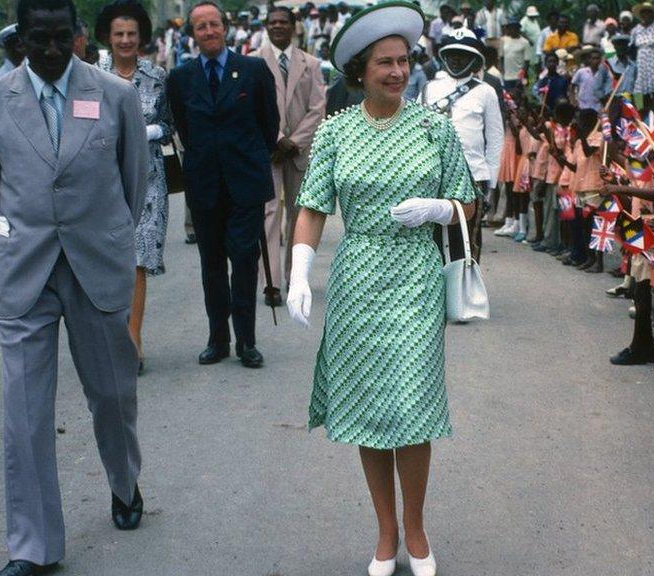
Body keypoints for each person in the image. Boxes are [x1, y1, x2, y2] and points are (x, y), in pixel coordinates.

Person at [286, 4, 477, 575]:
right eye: (384, 63)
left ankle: (416, 531)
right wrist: (299, 270)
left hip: (416, 276)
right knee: (370, 404)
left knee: (412, 404)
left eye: (403, 61)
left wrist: (438, 208)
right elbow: (313, 206)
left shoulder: (433, 127)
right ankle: (385, 533)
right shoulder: (337, 132)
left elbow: (468, 202)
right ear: (360, 70)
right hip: (358, 277)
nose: (396, 71)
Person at [0, 0, 150, 572]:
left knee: (112, 395)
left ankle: (124, 483)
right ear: (20, 38)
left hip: (96, 266)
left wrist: (107, 237)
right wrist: (12, 243)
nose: (49, 50)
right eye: (37, 39)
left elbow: (134, 180)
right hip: (25, 272)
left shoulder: (114, 96)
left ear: (75, 36)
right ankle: (33, 546)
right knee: (24, 413)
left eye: (59, 38)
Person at [166, 0, 279, 369]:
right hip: (205, 186)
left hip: (245, 184)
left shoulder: (252, 69)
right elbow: (184, 128)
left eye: (214, 24)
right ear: (192, 34)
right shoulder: (181, 78)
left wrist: (248, 161)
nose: (209, 32)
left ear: (225, 27)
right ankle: (218, 340)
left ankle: (247, 341)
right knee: (211, 264)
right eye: (201, 27)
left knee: (244, 261)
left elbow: (268, 125)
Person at [95, 0, 173, 375]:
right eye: (119, 34)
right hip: (100, 179)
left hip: (148, 178)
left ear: (141, 37)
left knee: (138, 258)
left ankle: (133, 338)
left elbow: (169, 127)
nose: (125, 40)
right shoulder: (91, 76)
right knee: (110, 258)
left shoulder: (156, 76)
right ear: (108, 38)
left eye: (131, 34)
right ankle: (107, 337)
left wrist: (144, 132)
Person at [251, 6, 325, 306]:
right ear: (266, 27)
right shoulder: (253, 62)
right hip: (268, 150)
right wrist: (277, 138)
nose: (278, 26)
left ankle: (295, 277)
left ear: (294, 27)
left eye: (283, 22)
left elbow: (318, 108)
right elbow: (251, 108)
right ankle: (271, 282)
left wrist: (294, 141)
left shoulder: (310, 63)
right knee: (269, 214)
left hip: (298, 152)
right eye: (272, 22)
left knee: (299, 215)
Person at [423, 27, 503, 263]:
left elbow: (495, 138)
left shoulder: (486, 91)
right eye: (452, 54)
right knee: (432, 237)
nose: (457, 59)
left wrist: (492, 180)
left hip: (472, 177)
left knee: (467, 239)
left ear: (475, 59)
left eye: (464, 54)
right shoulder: (430, 88)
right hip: (432, 175)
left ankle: (466, 294)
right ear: (444, 56)